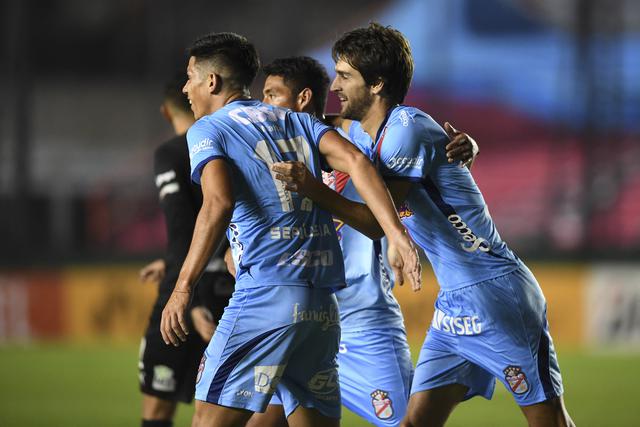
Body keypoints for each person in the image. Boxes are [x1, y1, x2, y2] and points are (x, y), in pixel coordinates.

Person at [274, 23, 574, 427]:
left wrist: (311, 188)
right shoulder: (367, 134)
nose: (336, 85)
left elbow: (377, 222)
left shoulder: (405, 131)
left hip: (495, 294)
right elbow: (314, 124)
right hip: (454, 304)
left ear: (377, 84)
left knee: (549, 421)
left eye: (345, 76)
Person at [159, 32, 421, 427]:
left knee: (206, 421)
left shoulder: (209, 129)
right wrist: (396, 234)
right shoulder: (298, 122)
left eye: (191, 76)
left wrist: (182, 287)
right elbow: (358, 162)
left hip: (265, 299)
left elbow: (217, 202)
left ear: (211, 82)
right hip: (321, 309)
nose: (186, 88)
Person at [249, 56, 477, 427]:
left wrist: (467, 146)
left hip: (363, 324)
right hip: (298, 319)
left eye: (273, 95)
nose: (264, 106)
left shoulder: (358, 140)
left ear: (304, 98)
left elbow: (422, 143)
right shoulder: (269, 151)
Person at [138, 76, 234, 427]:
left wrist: (188, 298)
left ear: (166, 112)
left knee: (158, 409)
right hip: (236, 291)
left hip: (190, 292)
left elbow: (184, 229)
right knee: (220, 410)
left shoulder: (173, 152)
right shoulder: (231, 142)